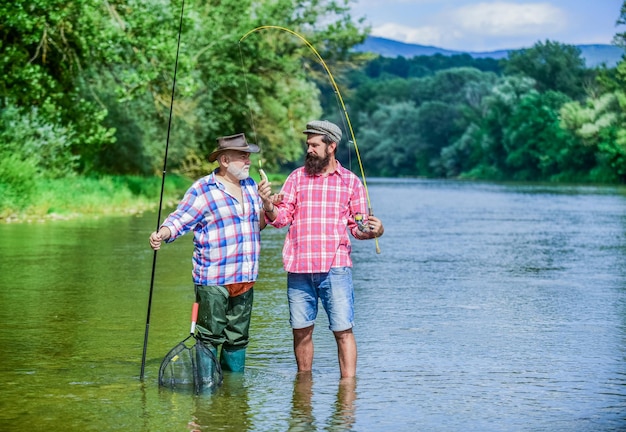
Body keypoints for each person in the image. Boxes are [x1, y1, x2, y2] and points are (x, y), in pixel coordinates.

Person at [260, 120, 384, 378]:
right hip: (298, 267)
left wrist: (376, 230)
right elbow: (281, 218)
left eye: (315, 145)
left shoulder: (351, 183)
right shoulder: (296, 178)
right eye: (308, 145)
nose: (310, 150)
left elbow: (359, 228)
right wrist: (268, 205)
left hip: (335, 269)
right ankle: (303, 388)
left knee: (343, 330)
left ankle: (347, 390)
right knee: (301, 330)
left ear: (332, 146)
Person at [149, 133, 272, 372]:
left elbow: (258, 224)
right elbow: (179, 219)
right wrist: (161, 234)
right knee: (209, 338)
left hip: (245, 277)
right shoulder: (203, 189)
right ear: (224, 160)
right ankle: (206, 395)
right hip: (214, 279)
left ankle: (233, 396)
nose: (248, 161)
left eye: (248, 156)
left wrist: (267, 204)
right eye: (243, 156)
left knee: (238, 338)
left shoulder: (250, 187)